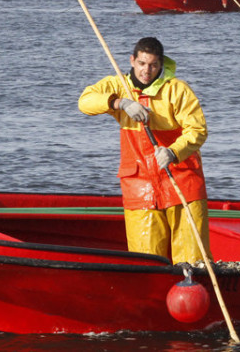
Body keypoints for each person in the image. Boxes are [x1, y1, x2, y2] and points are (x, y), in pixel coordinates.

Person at [78, 37, 210, 264]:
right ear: (132, 60)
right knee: (146, 261)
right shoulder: (118, 85)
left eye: (152, 65)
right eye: (141, 63)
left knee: (193, 261)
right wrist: (120, 104)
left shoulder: (177, 90)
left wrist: (173, 151)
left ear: (161, 64)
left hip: (182, 181)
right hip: (139, 187)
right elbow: (85, 101)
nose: (146, 71)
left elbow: (198, 130)